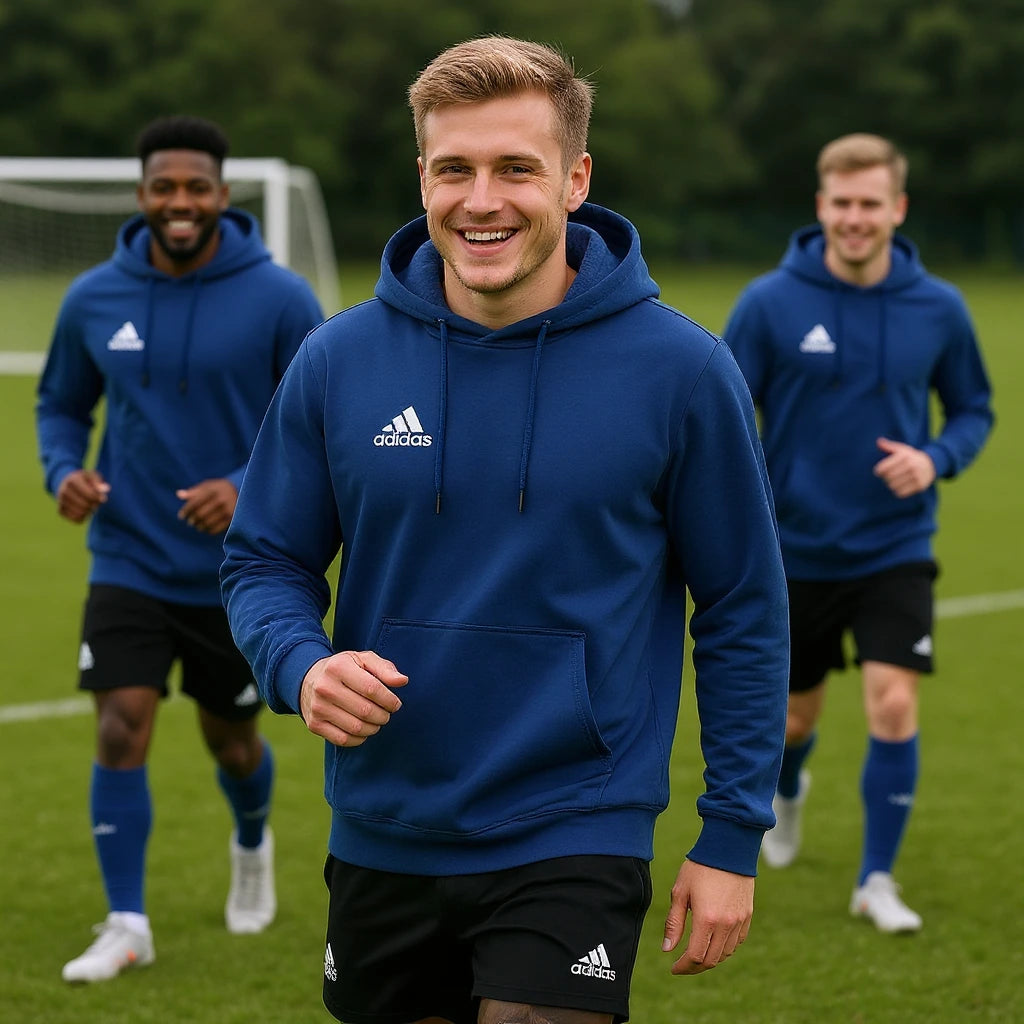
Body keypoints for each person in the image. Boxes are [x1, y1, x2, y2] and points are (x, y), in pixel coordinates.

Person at [221, 36, 788, 1024]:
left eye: (515, 168)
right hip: (383, 824)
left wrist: (731, 834)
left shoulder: (681, 373)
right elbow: (265, 557)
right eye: (455, 169)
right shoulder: (334, 361)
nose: (480, 200)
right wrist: (300, 665)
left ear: (574, 179)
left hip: (576, 820)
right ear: (423, 178)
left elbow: (742, 605)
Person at [36, 115, 324, 984]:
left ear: (223, 194)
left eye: (197, 187)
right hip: (127, 556)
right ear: (141, 196)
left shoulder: (280, 299)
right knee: (121, 724)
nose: (181, 203)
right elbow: (61, 406)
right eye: (164, 187)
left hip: (239, 574)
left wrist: (244, 483)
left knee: (232, 741)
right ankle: (127, 922)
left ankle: (250, 841)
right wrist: (63, 472)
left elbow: (312, 428)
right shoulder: (93, 297)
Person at [722, 133, 994, 934]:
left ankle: (877, 880)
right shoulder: (769, 303)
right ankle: (789, 786)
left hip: (896, 545)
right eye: (841, 203)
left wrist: (935, 457)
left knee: (893, 702)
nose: (855, 218)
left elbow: (974, 408)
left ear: (897, 209)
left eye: (870, 204)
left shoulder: (939, 307)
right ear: (820, 207)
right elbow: (727, 418)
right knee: (795, 721)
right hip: (795, 550)